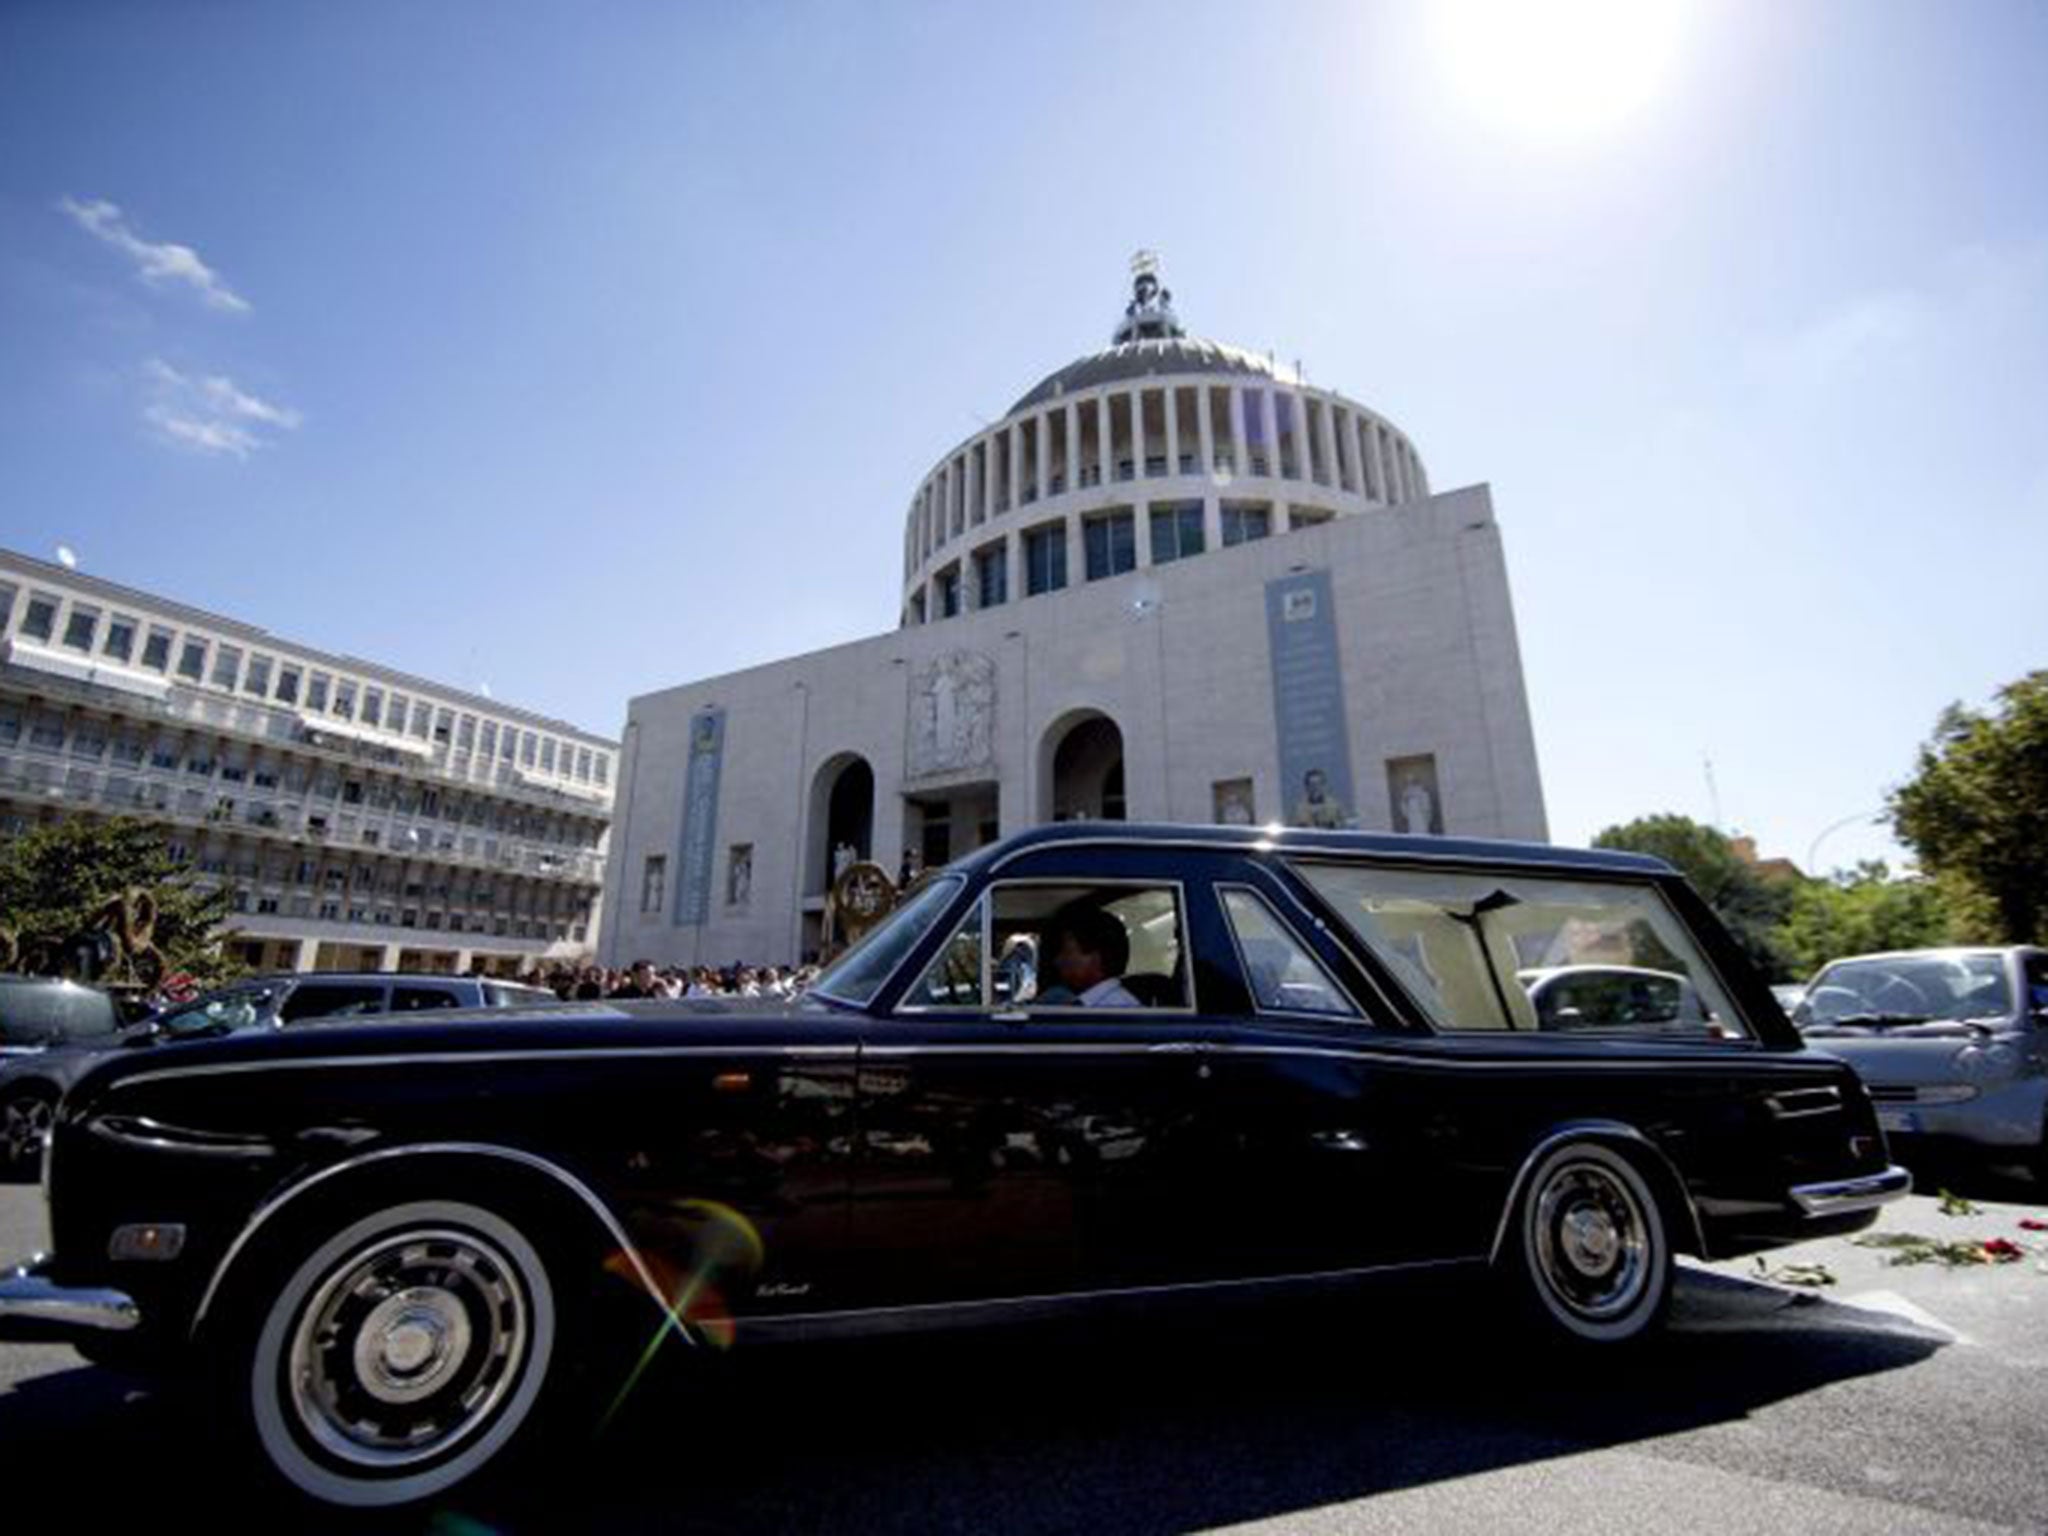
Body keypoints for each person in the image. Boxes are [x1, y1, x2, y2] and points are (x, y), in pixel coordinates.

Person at [1039, 903, 1138, 1008]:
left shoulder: (1116, 1008)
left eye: (1066, 953)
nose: (1058, 961)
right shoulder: (1088, 1005)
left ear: (1096, 957)